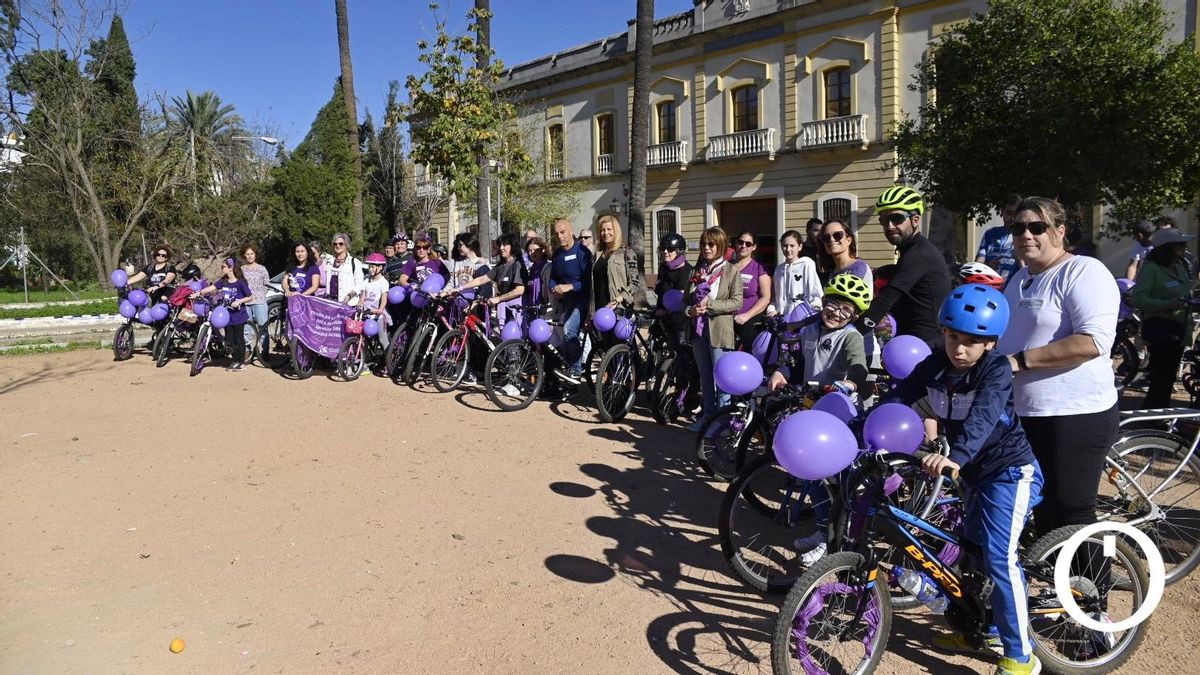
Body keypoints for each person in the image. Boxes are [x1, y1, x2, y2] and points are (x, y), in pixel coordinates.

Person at [888, 284, 1044, 675]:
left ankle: (1021, 657)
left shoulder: (995, 371)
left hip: (1009, 472)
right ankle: (981, 629)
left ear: (990, 344)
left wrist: (954, 457)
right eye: (952, 337)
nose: (959, 349)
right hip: (971, 475)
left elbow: (983, 418)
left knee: (998, 559)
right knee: (971, 554)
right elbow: (899, 398)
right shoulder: (934, 365)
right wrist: (866, 426)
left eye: (971, 342)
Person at [997, 197, 1119, 547]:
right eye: (1018, 228)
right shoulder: (1019, 278)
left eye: (1038, 227)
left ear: (1060, 231)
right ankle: (1060, 588)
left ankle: (1096, 597)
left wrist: (1021, 361)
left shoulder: (1083, 271)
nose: (1026, 235)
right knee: (1042, 508)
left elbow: (1092, 342)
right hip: (1025, 412)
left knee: (1073, 511)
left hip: (1076, 413)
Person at [860, 185, 951, 348]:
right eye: (883, 220)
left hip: (925, 346)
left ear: (915, 220)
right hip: (911, 339)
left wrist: (850, 332)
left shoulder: (919, 255)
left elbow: (884, 302)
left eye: (896, 218)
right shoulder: (912, 251)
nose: (889, 226)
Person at [1131, 227, 1197, 408]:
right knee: (1161, 378)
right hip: (1162, 331)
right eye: (1180, 245)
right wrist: (1167, 304)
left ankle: (1159, 416)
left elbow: (1186, 291)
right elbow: (1138, 298)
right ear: (1168, 248)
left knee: (1167, 379)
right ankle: (1153, 418)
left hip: (1179, 330)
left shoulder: (1181, 266)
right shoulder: (1152, 269)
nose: (1185, 247)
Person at [685, 227, 743, 431]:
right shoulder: (696, 270)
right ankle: (707, 417)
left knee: (723, 379)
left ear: (720, 246)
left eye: (711, 244)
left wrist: (710, 306)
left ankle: (721, 422)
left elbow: (736, 302)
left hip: (719, 331)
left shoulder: (731, 270)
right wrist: (690, 311)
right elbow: (687, 300)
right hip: (698, 331)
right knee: (705, 376)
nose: (706, 248)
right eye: (704, 244)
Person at [549, 218, 593, 381]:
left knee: (569, 329)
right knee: (560, 332)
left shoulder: (582, 252)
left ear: (571, 231)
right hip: (566, 303)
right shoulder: (558, 254)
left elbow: (589, 282)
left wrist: (570, 287)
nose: (560, 236)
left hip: (583, 301)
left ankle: (576, 369)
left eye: (563, 232)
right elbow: (553, 277)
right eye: (557, 234)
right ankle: (569, 367)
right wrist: (554, 288)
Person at [196, 258, 254, 371]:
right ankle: (235, 360)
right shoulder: (223, 281)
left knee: (239, 339)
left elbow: (250, 296)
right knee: (229, 340)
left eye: (224, 267)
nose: (222, 269)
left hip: (238, 315)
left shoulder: (240, 282)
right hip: (227, 316)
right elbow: (212, 288)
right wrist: (199, 292)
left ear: (231, 268)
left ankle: (241, 363)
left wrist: (239, 301)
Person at [589, 214, 645, 316]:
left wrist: (618, 299)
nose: (606, 233)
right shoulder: (597, 255)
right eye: (602, 230)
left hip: (619, 310)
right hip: (598, 311)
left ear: (616, 231)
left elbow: (634, 283)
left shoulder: (627, 252)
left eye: (609, 229)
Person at [731, 230, 771, 349]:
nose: (743, 246)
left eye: (748, 244)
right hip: (727, 318)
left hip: (750, 319)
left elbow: (766, 297)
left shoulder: (759, 267)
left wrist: (746, 316)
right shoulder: (726, 266)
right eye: (741, 242)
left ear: (754, 247)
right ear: (736, 244)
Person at [771, 229, 822, 317]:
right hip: (782, 319)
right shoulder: (778, 270)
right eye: (785, 246)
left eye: (792, 246)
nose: (788, 249)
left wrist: (815, 309)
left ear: (800, 246)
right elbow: (775, 297)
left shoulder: (806, 264)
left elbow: (815, 292)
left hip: (803, 317)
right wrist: (772, 310)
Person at [654, 232, 692, 349]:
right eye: (663, 248)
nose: (665, 251)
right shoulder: (663, 268)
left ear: (679, 251)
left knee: (680, 354)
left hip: (680, 322)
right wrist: (660, 309)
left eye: (670, 249)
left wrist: (667, 310)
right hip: (662, 319)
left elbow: (680, 299)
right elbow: (661, 292)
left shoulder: (688, 271)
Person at [975, 194, 1022, 282]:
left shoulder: (1025, 236)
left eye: (1015, 214)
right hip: (990, 288)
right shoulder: (990, 233)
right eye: (1009, 213)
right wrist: (988, 265)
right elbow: (978, 264)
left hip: (1013, 290)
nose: (1012, 218)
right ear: (1002, 212)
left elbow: (1029, 272)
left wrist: (1020, 259)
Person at [240, 244, 271, 357]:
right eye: (247, 254)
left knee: (263, 326)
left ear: (255, 255)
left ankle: (265, 351)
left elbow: (267, 284)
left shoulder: (262, 268)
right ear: (244, 255)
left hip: (259, 302)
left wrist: (260, 295)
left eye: (252, 253)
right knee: (246, 327)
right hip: (245, 303)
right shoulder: (241, 270)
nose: (249, 256)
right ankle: (247, 350)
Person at [323, 232, 365, 305]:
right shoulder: (329, 262)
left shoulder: (354, 262)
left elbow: (360, 284)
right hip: (331, 304)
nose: (337, 246)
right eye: (335, 244)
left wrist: (349, 296)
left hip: (348, 304)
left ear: (346, 245)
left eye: (341, 244)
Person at [360, 253, 392, 349]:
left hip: (378, 316)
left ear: (381, 267)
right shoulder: (367, 280)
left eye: (373, 267)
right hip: (366, 313)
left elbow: (384, 298)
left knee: (383, 340)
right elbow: (363, 295)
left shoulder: (383, 282)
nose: (370, 269)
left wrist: (380, 309)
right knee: (363, 338)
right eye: (370, 267)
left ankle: (389, 361)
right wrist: (360, 303)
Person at [449, 231, 491, 296]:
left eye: (460, 245)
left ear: (469, 244)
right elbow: (451, 283)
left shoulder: (481, 264)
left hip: (474, 301)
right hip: (457, 300)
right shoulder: (456, 264)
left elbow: (485, 285)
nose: (458, 247)